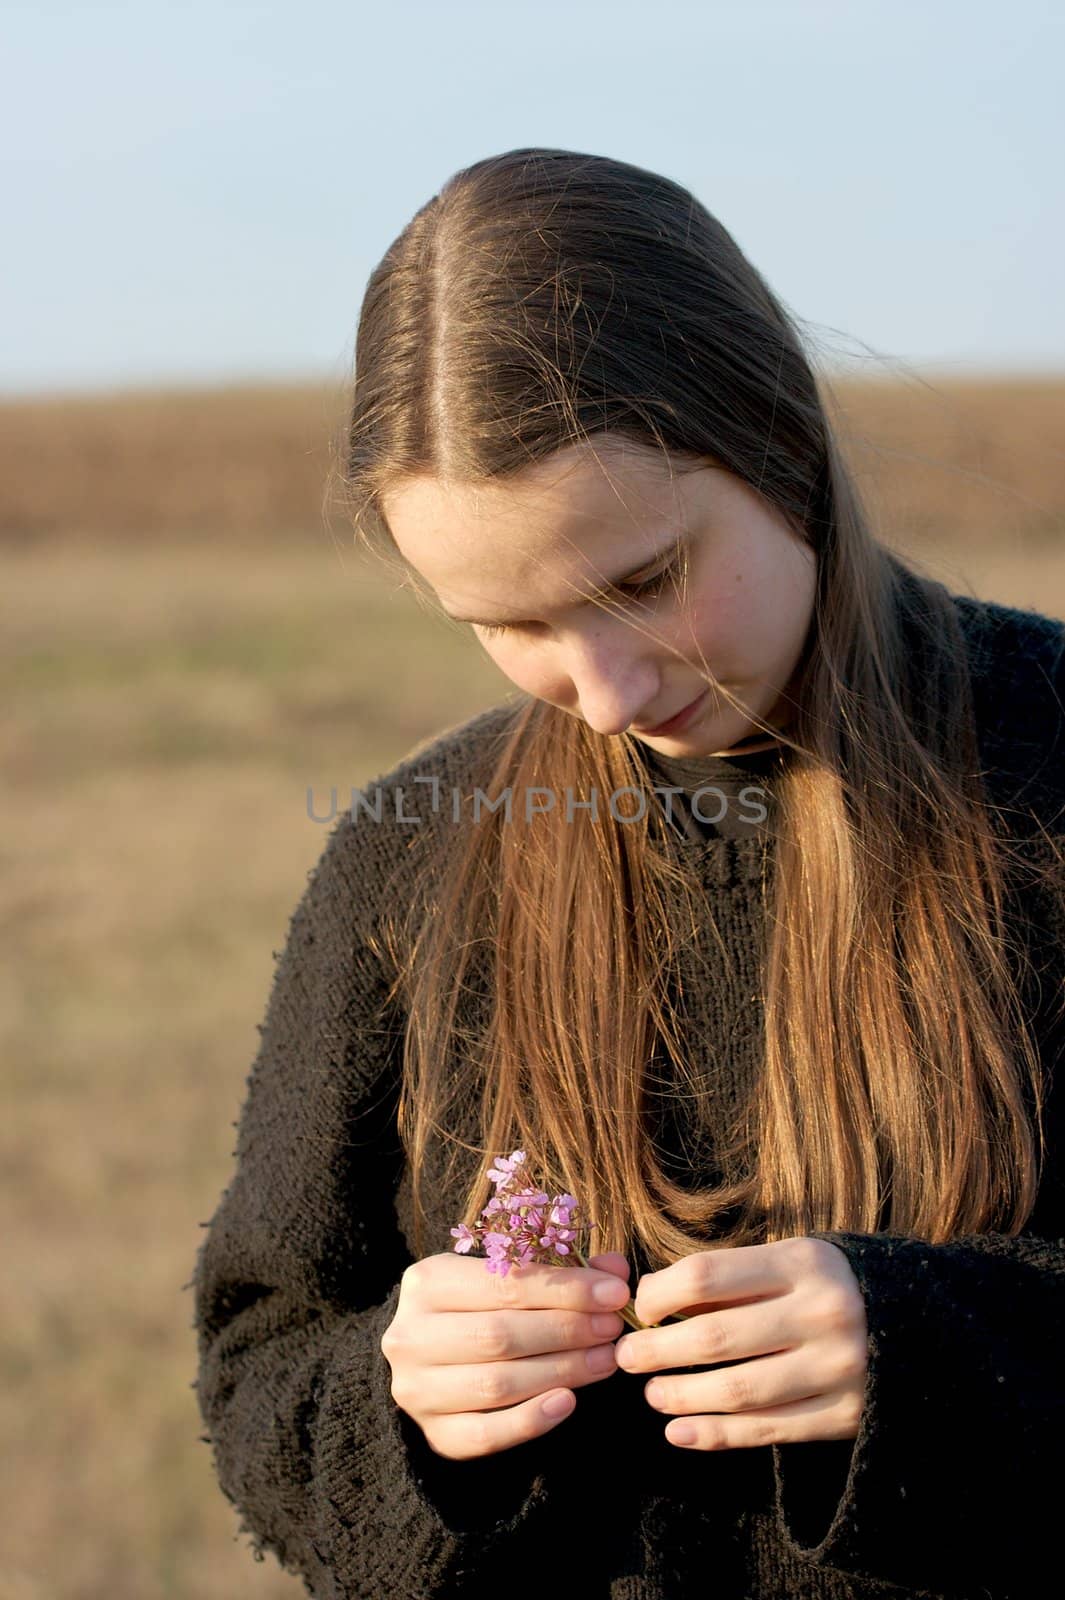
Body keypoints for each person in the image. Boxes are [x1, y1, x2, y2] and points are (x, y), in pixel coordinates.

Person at [189, 148, 1065, 1599]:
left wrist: (942, 1353)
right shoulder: (411, 849)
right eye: (505, 619)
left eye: (643, 581)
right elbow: (263, 1365)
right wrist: (405, 1405)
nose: (597, 691)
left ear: (775, 435)